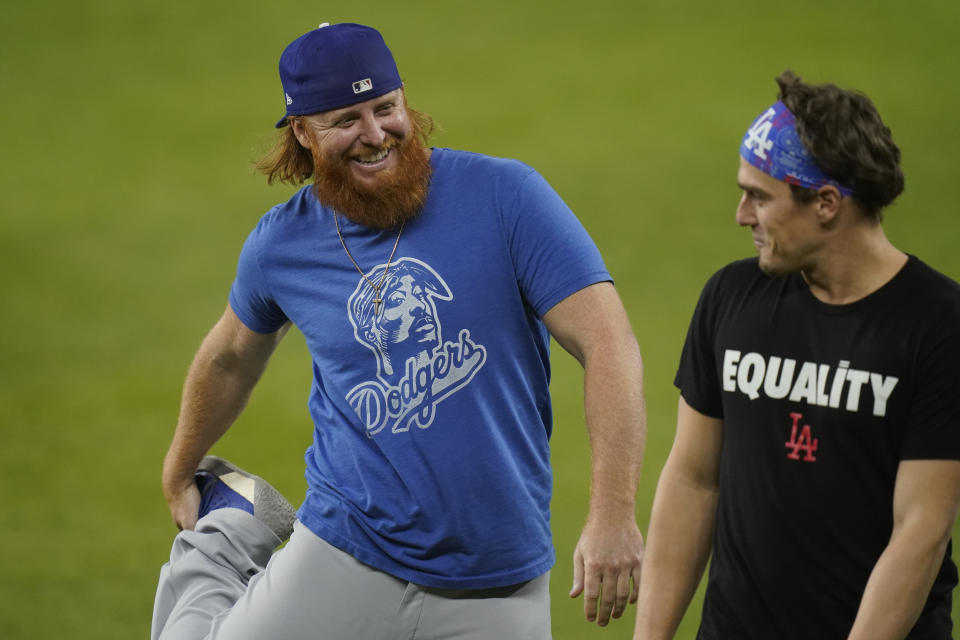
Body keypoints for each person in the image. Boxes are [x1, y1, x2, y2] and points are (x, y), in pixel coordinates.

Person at [153, 21, 646, 640]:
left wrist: (613, 513)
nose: (375, 133)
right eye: (345, 119)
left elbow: (609, 346)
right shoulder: (282, 245)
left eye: (385, 107)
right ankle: (226, 542)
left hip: (496, 580)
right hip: (343, 552)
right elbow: (229, 356)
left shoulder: (506, 197)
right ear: (303, 132)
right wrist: (180, 467)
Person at [633, 70, 960, 640]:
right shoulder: (731, 297)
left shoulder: (936, 325)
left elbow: (921, 530)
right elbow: (692, 479)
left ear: (827, 202)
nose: (741, 215)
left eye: (759, 197)